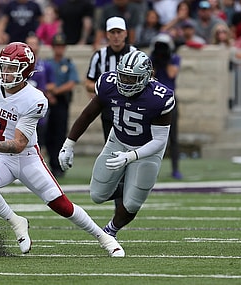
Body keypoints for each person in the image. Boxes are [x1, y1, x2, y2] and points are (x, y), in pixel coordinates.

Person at [0, 41, 124, 257]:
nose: (4, 72)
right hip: (0, 157)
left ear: (24, 71)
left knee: (62, 205)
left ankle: (104, 237)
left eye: (11, 68)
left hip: (26, 158)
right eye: (3, 66)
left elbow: (18, 145)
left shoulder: (35, 100)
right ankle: (17, 222)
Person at [58, 50, 175, 242]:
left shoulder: (159, 98)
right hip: (118, 140)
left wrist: (131, 157)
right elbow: (88, 114)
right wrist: (68, 145)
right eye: (124, 76)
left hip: (147, 148)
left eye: (132, 78)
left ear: (146, 77)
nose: (126, 82)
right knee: (97, 195)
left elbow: (160, 141)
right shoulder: (109, 84)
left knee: (132, 203)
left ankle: (111, 229)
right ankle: (129, 184)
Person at [86, 16, 137, 142]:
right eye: (112, 32)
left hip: (130, 108)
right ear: (107, 35)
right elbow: (88, 83)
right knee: (110, 147)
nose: (116, 36)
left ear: (125, 33)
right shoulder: (99, 55)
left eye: (119, 32)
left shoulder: (134, 53)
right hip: (108, 109)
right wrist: (105, 87)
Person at [45, 33, 79, 178]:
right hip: (47, 101)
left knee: (60, 133)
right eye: (56, 46)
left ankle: (59, 166)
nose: (59, 49)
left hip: (61, 102)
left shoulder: (68, 64)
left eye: (61, 46)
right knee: (47, 134)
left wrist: (56, 91)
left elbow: (72, 83)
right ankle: (52, 163)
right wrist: (49, 93)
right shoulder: (48, 64)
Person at [150, 33, 182, 180]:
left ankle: (175, 169)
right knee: (149, 137)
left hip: (170, 100)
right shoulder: (151, 59)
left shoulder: (174, 58)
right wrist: (155, 60)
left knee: (173, 137)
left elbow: (171, 73)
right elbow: (150, 76)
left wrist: (166, 58)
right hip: (153, 100)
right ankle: (149, 170)